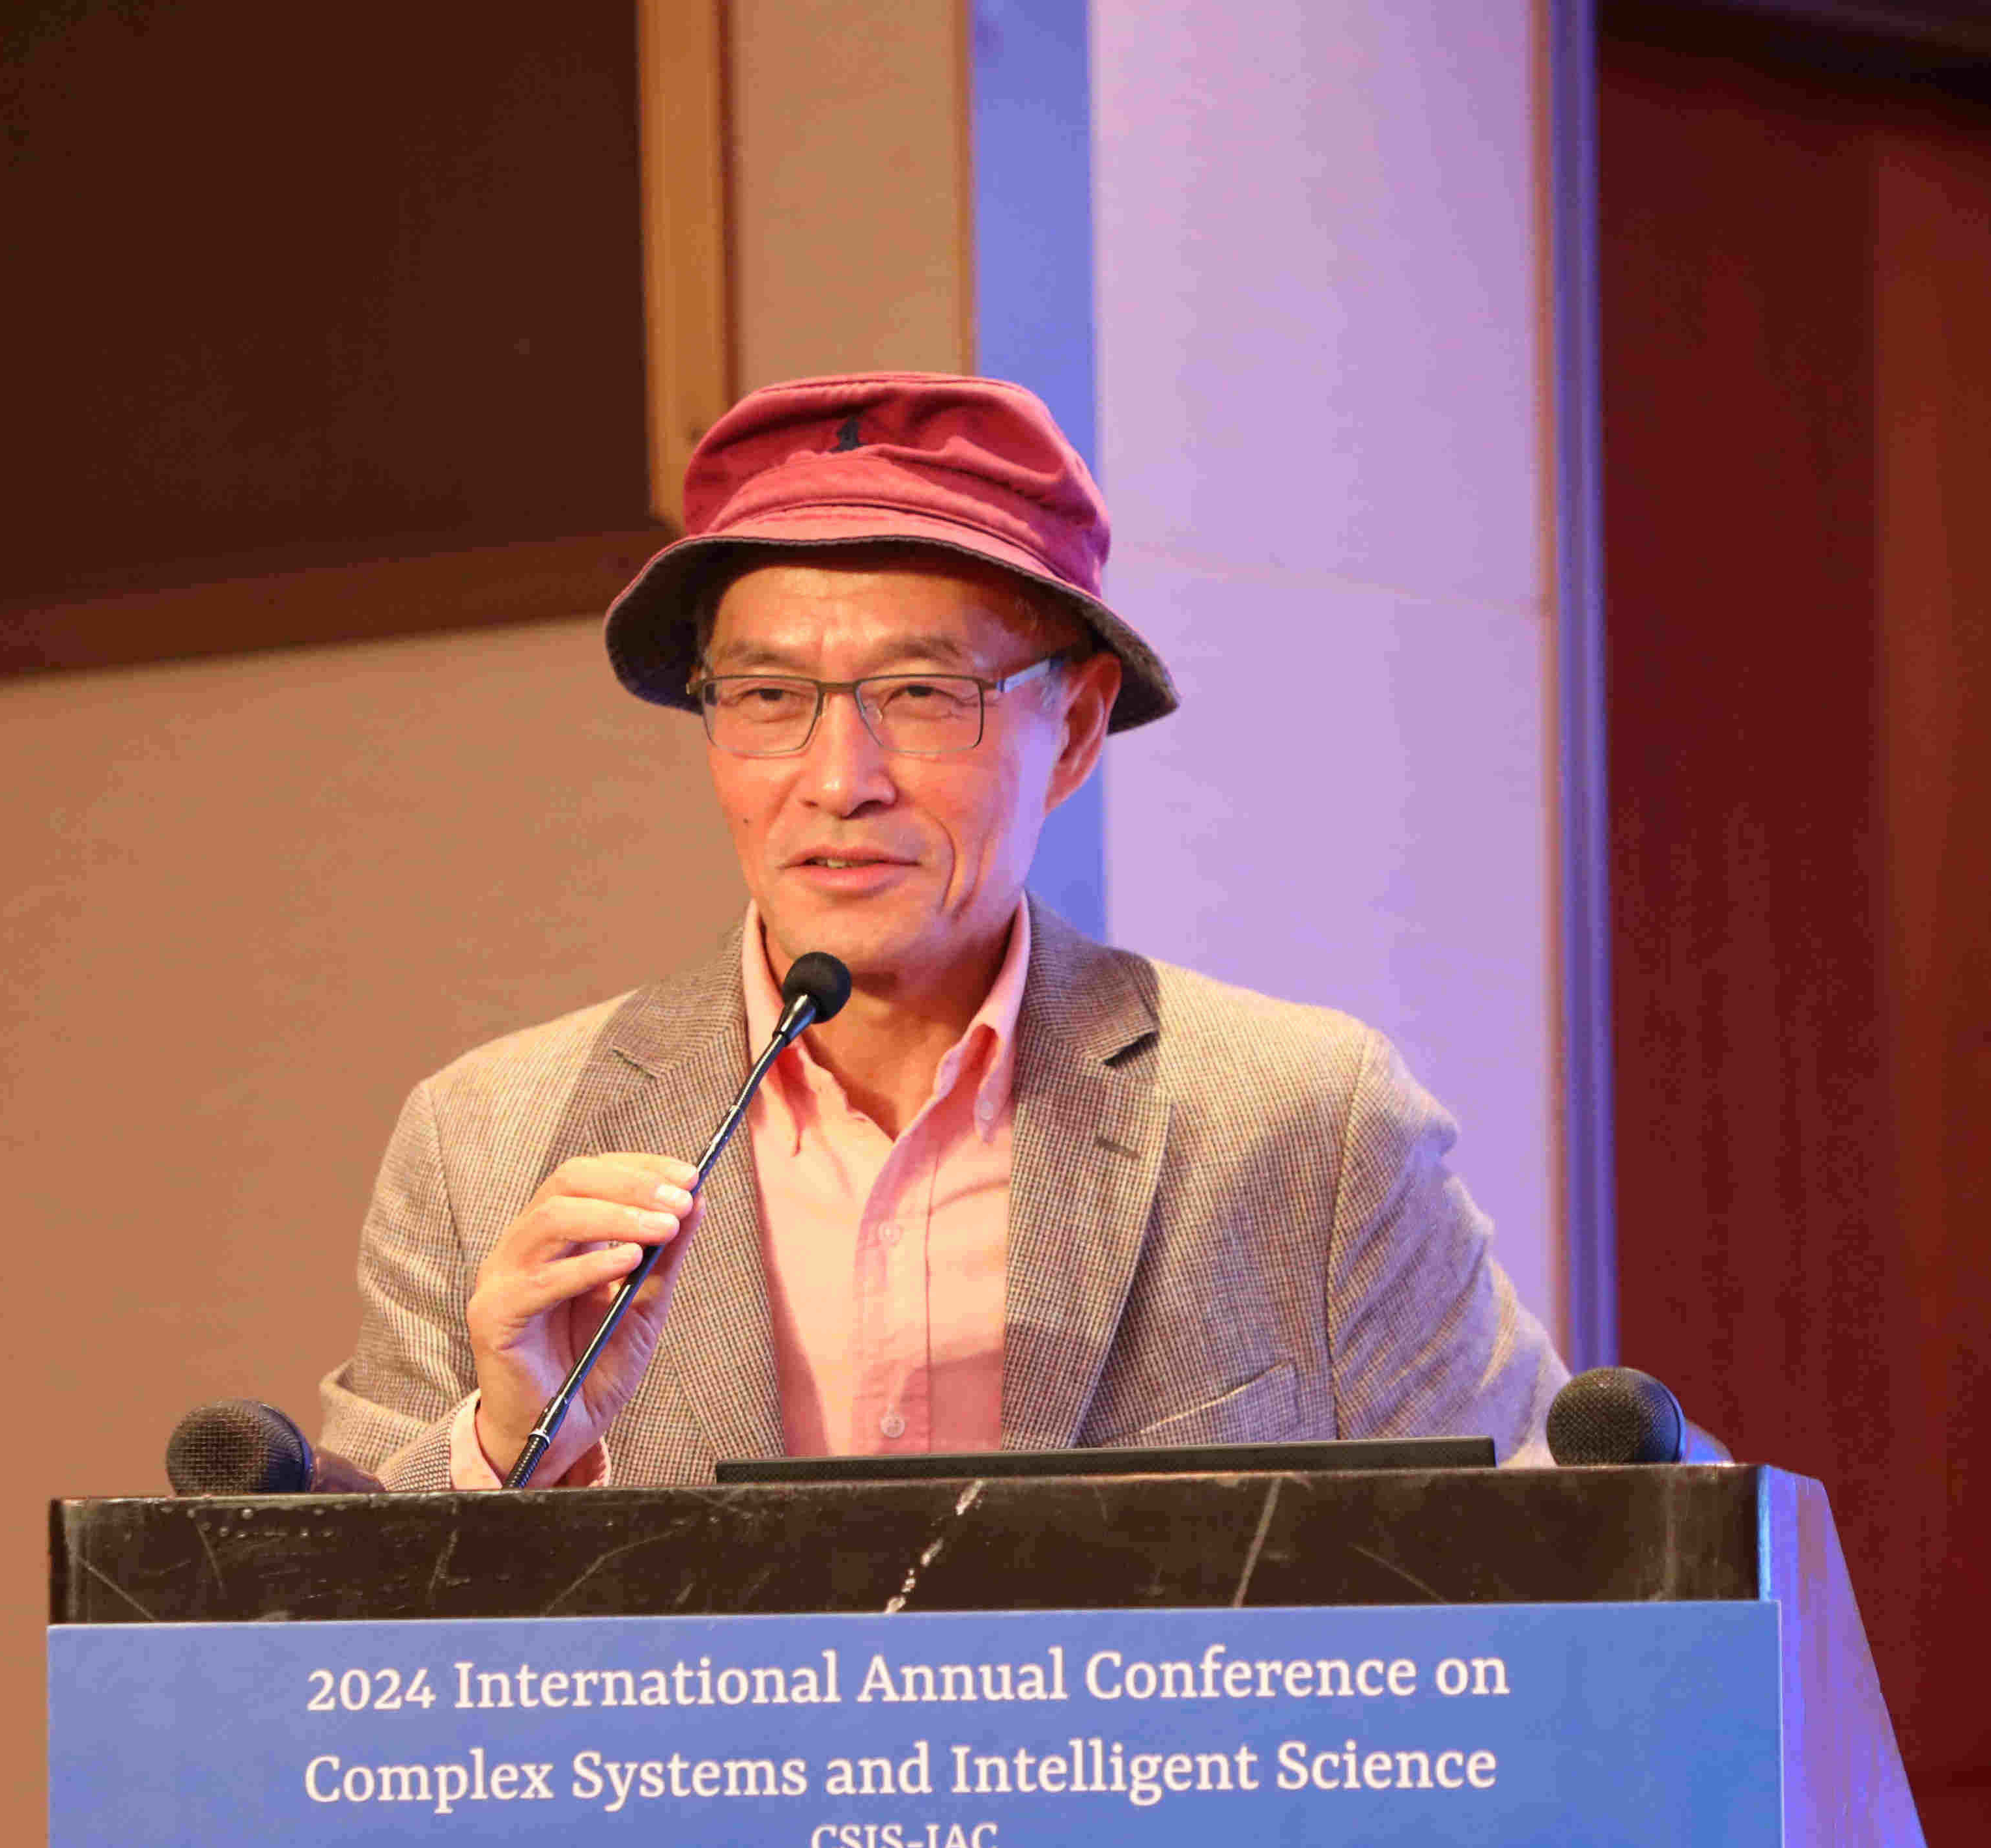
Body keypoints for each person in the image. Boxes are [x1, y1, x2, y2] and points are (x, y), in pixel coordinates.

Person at [316, 371, 1563, 1491]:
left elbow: (1567, 1552)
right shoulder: (485, 1140)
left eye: (920, 694)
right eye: (767, 697)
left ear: (1075, 731)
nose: (837, 780)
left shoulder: (1305, 1124)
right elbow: (328, 1616)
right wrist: (508, 1446)